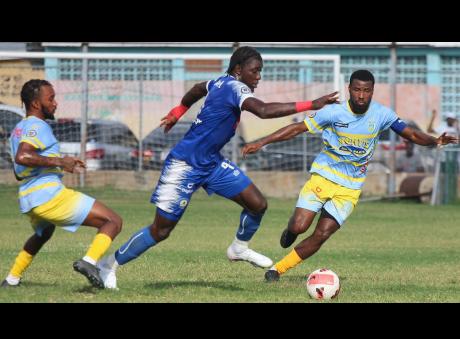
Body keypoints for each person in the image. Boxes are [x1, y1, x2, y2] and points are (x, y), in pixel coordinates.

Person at [96, 46, 339, 289]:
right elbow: (263, 111)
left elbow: (197, 89)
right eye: (255, 71)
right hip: (185, 165)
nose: (258, 77)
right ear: (238, 70)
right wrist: (312, 103)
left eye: (260, 72)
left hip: (211, 162)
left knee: (257, 204)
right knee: (161, 230)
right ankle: (108, 265)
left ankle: (238, 248)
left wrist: (179, 110)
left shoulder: (219, 82)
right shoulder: (236, 87)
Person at [242, 70, 459, 282]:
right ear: (349, 90)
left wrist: (434, 141)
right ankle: (291, 231)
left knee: (322, 234)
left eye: (366, 90)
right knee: (299, 227)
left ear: (372, 91)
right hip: (324, 177)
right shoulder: (333, 112)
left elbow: (410, 133)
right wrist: (261, 142)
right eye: (357, 90)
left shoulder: (382, 114)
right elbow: (298, 128)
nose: (361, 95)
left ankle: (277, 270)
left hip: (350, 188)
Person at [1, 79, 122, 289]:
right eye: (51, 98)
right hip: (48, 195)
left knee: (43, 233)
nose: (55, 103)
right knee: (112, 221)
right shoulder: (37, 125)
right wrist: (59, 161)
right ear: (36, 104)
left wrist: (56, 163)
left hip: (28, 197)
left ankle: (12, 279)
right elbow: (23, 156)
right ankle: (89, 262)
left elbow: (19, 170)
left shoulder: (18, 129)